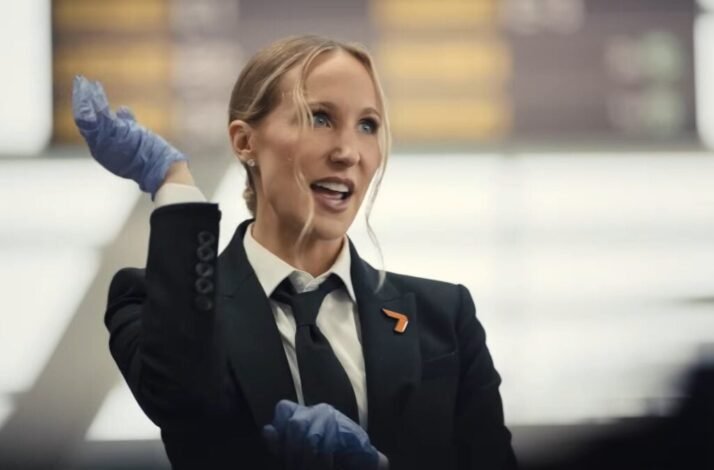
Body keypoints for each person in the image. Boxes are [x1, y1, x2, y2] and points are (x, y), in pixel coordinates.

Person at [72, 35, 517, 469]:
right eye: (319, 117)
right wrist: (175, 182)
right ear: (246, 142)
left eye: (368, 125)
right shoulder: (152, 302)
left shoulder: (444, 315)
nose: (348, 152)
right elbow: (184, 399)